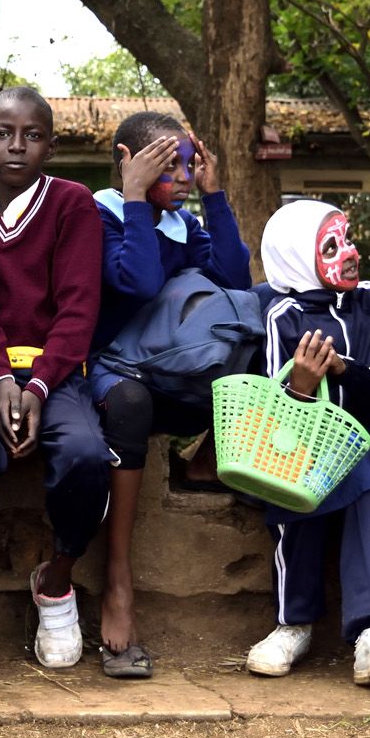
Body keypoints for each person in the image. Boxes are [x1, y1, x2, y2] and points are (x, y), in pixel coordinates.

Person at [0, 87, 113, 672]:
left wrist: (36, 385)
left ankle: (57, 579)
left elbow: (79, 306)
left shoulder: (72, 203)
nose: (17, 145)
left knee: (87, 453)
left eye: (32, 135)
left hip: (55, 369)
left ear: (51, 146)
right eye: (2, 133)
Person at [89, 111, 251, 677]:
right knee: (130, 405)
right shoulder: (101, 215)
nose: (183, 174)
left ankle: (207, 459)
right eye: (168, 163)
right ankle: (117, 583)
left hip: (168, 369)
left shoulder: (184, 223)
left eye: (189, 163)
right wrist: (135, 197)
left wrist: (215, 195)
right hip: (111, 370)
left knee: (259, 330)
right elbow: (137, 281)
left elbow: (235, 279)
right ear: (127, 160)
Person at [242, 200, 370, 689]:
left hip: (358, 448)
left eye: (350, 239)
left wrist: (346, 369)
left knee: (367, 480)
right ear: (297, 257)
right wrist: (300, 383)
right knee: (299, 484)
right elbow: (272, 406)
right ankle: (292, 623)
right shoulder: (280, 312)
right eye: (333, 246)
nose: (352, 253)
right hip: (291, 450)